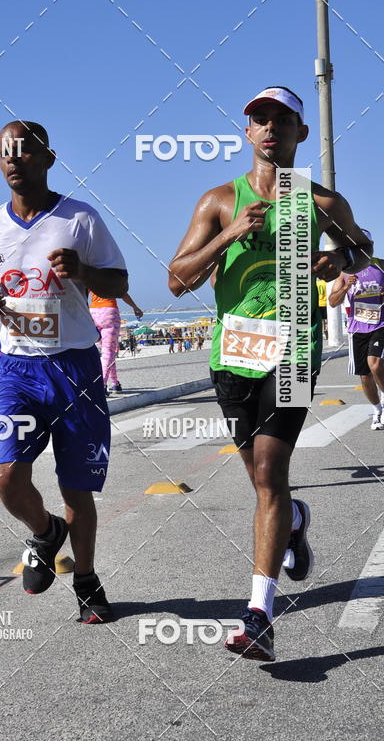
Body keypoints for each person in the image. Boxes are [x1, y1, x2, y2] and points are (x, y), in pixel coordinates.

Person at [168, 85, 371, 662]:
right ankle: (295, 518)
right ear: (248, 132)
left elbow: (366, 249)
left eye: (282, 119)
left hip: (294, 349)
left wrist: (343, 261)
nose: (270, 127)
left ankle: (258, 613)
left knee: (268, 468)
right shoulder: (217, 200)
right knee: (262, 482)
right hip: (233, 353)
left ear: (300, 134)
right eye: (259, 118)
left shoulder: (323, 203)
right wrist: (229, 234)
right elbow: (176, 280)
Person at [0, 120, 128, 624]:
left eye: (24, 150)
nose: (13, 159)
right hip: (17, 368)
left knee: (76, 488)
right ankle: (44, 532)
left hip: (75, 367)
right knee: (6, 478)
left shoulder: (79, 219)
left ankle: (86, 580)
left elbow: (119, 279)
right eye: (4, 152)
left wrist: (83, 271)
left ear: (48, 158)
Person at [329, 234, 384, 430]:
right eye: (355, 246)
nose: (360, 250)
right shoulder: (345, 272)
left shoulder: (381, 265)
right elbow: (332, 301)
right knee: (365, 376)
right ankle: (377, 410)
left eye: (364, 246)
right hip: (357, 329)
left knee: (375, 363)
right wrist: (346, 287)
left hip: (380, 325)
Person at [89, 291, 143, 395]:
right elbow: (122, 293)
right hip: (109, 312)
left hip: (94, 313)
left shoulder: (92, 274)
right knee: (108, 352)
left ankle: (115, 383)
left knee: (109, 353)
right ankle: (102, 385)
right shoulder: (112, 274)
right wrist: (135, 307)